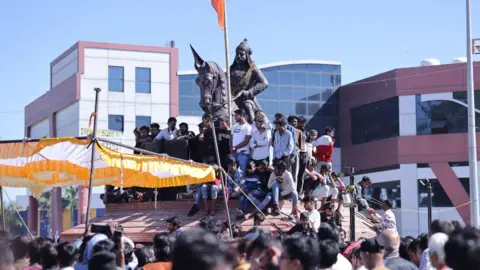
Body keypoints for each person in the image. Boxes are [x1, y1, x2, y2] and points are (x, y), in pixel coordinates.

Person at [229, 39, 269, 124]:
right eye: (237, 54)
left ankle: (253, 128)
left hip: (245, 99)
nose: (238, 56)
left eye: (242, 54)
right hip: (231, 98)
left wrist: (248, 92)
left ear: (247, 55)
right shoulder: (230, 70)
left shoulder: (252, 69)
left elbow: (264, 83)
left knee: (247, 106)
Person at [230, 109, 253, 173]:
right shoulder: (234, 127)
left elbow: (246, 141)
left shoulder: (248, 127)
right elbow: (231, 138)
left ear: (242, 115)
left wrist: (235, 147)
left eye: (236, 115)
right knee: (231, 172)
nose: (235, 117)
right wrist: (231, 148)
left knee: (242, 173)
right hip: (234, 153)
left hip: (243, 154)